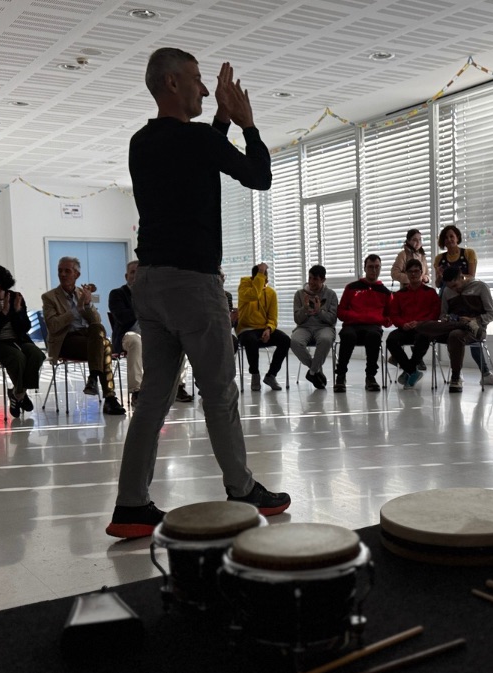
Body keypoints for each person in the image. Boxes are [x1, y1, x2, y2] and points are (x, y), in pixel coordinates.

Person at [107, 48, 290, 540]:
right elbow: (259, 177)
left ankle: (131, 505)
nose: (205, 89)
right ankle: (242, 489)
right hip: (192, 283)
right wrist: (247, 124)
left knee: (153, 397)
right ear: (171, 82)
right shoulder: (195, 140)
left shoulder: (141, 141)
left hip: (150, 283)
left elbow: (196, 156)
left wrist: (220, 121)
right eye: (196, 79)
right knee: (219, 392)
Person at [41, 256, 126, 415]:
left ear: (77, 275)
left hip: (89, 338)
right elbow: (53, 326)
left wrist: (87, 304)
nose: (62, 274)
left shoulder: (82, 293)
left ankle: (94, 378)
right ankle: (109, 398)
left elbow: (96, 321)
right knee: (105, 346)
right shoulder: (49, 297)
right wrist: (77, 309)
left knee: (98, 332)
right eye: (60, 271)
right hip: (66, 340)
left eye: (67, 271)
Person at [0, 264, 47, 419]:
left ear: (0, 282)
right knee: (17, 357)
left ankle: (18, 393)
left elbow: (25, 327)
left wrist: (18, 312)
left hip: (18, 339)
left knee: (37, 354)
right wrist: (5, 313)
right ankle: (21, 395)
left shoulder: (15, 297)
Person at [415, 267, 493, 393]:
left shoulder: (480, 287)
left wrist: (473, 320)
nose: (454, 289)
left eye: (455, 285)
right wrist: (450, 319)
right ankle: (463, 325)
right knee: (422, 327)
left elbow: (492, 314)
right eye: (450, 287)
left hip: (476, 329)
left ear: (462, 277)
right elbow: (443, 315)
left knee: (455, 335)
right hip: (453, 326)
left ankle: (455, 377)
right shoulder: (447, 291)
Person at [334, 254, 391, 393]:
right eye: (370, 267)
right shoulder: (351, 288)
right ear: (365, 268)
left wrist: (378, 320)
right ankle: (340, 376)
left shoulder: (385, 292)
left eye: (377, 267)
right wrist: (355, 317)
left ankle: (370, 377)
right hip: (352, 325)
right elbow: (340, 312)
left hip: (373, 327)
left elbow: (390, 318)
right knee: (348, 336)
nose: (374, 270)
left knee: (374, 336)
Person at [236, 262, 291, 391]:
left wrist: (268, 329)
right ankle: (255, 374)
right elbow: (254, 294)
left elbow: (273, 317)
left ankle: (271, 375)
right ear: (254, 278)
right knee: (251, 340)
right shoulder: (244, 287)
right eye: (261, 278)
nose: (265, 282)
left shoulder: (271, 293)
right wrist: (260, 273)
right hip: (246, 329)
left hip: (264, 328)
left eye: (265, 278)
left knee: (285, 340)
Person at [385, 258, 438, 389]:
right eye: (410, 271)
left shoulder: (430, 292)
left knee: (423, 337)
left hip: (423, 328)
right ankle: (412, 370)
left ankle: (409, 370)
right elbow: (394, 315)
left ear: (421, 272)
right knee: (391, 340)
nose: (413, 274)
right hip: (405, 328)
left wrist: (420, 323)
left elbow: (435, 314)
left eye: (416, 271)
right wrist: (403, 324)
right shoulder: (399, 294)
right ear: (406, 274)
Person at [290, 264, 338, 390]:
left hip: (324, 327)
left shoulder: (331, 295)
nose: (311, 282)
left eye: (315, 279)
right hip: (304, 327)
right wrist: (305, 309)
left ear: (323, 280)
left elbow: (332, 320)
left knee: (326, 339)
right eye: (310, 278)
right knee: (295, 341)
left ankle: (312, 373)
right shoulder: (299, 294)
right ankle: (316, 370)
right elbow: (297, 319)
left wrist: (319, 311)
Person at [107, 261, 145, 406]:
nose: (136, 275)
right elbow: (123, 318)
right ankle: (137, 391)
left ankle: (179, 387)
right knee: (136, 341)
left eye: (139, 272)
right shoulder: (117, 294)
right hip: (127, 335)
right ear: (126, 276)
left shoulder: (152, 294)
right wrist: (142, 302)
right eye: (132, 272)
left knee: (177, 339)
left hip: (151, 335)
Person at [432, 224, 477, 289]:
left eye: (451, 236)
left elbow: (472, 277)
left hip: (466, 290)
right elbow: (438, 285)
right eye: (446, 238)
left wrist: (456, 277)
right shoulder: (439, 258)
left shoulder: (469, 253)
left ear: (457, 238)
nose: (449, 239)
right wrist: (439, 277)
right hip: (446, 291)